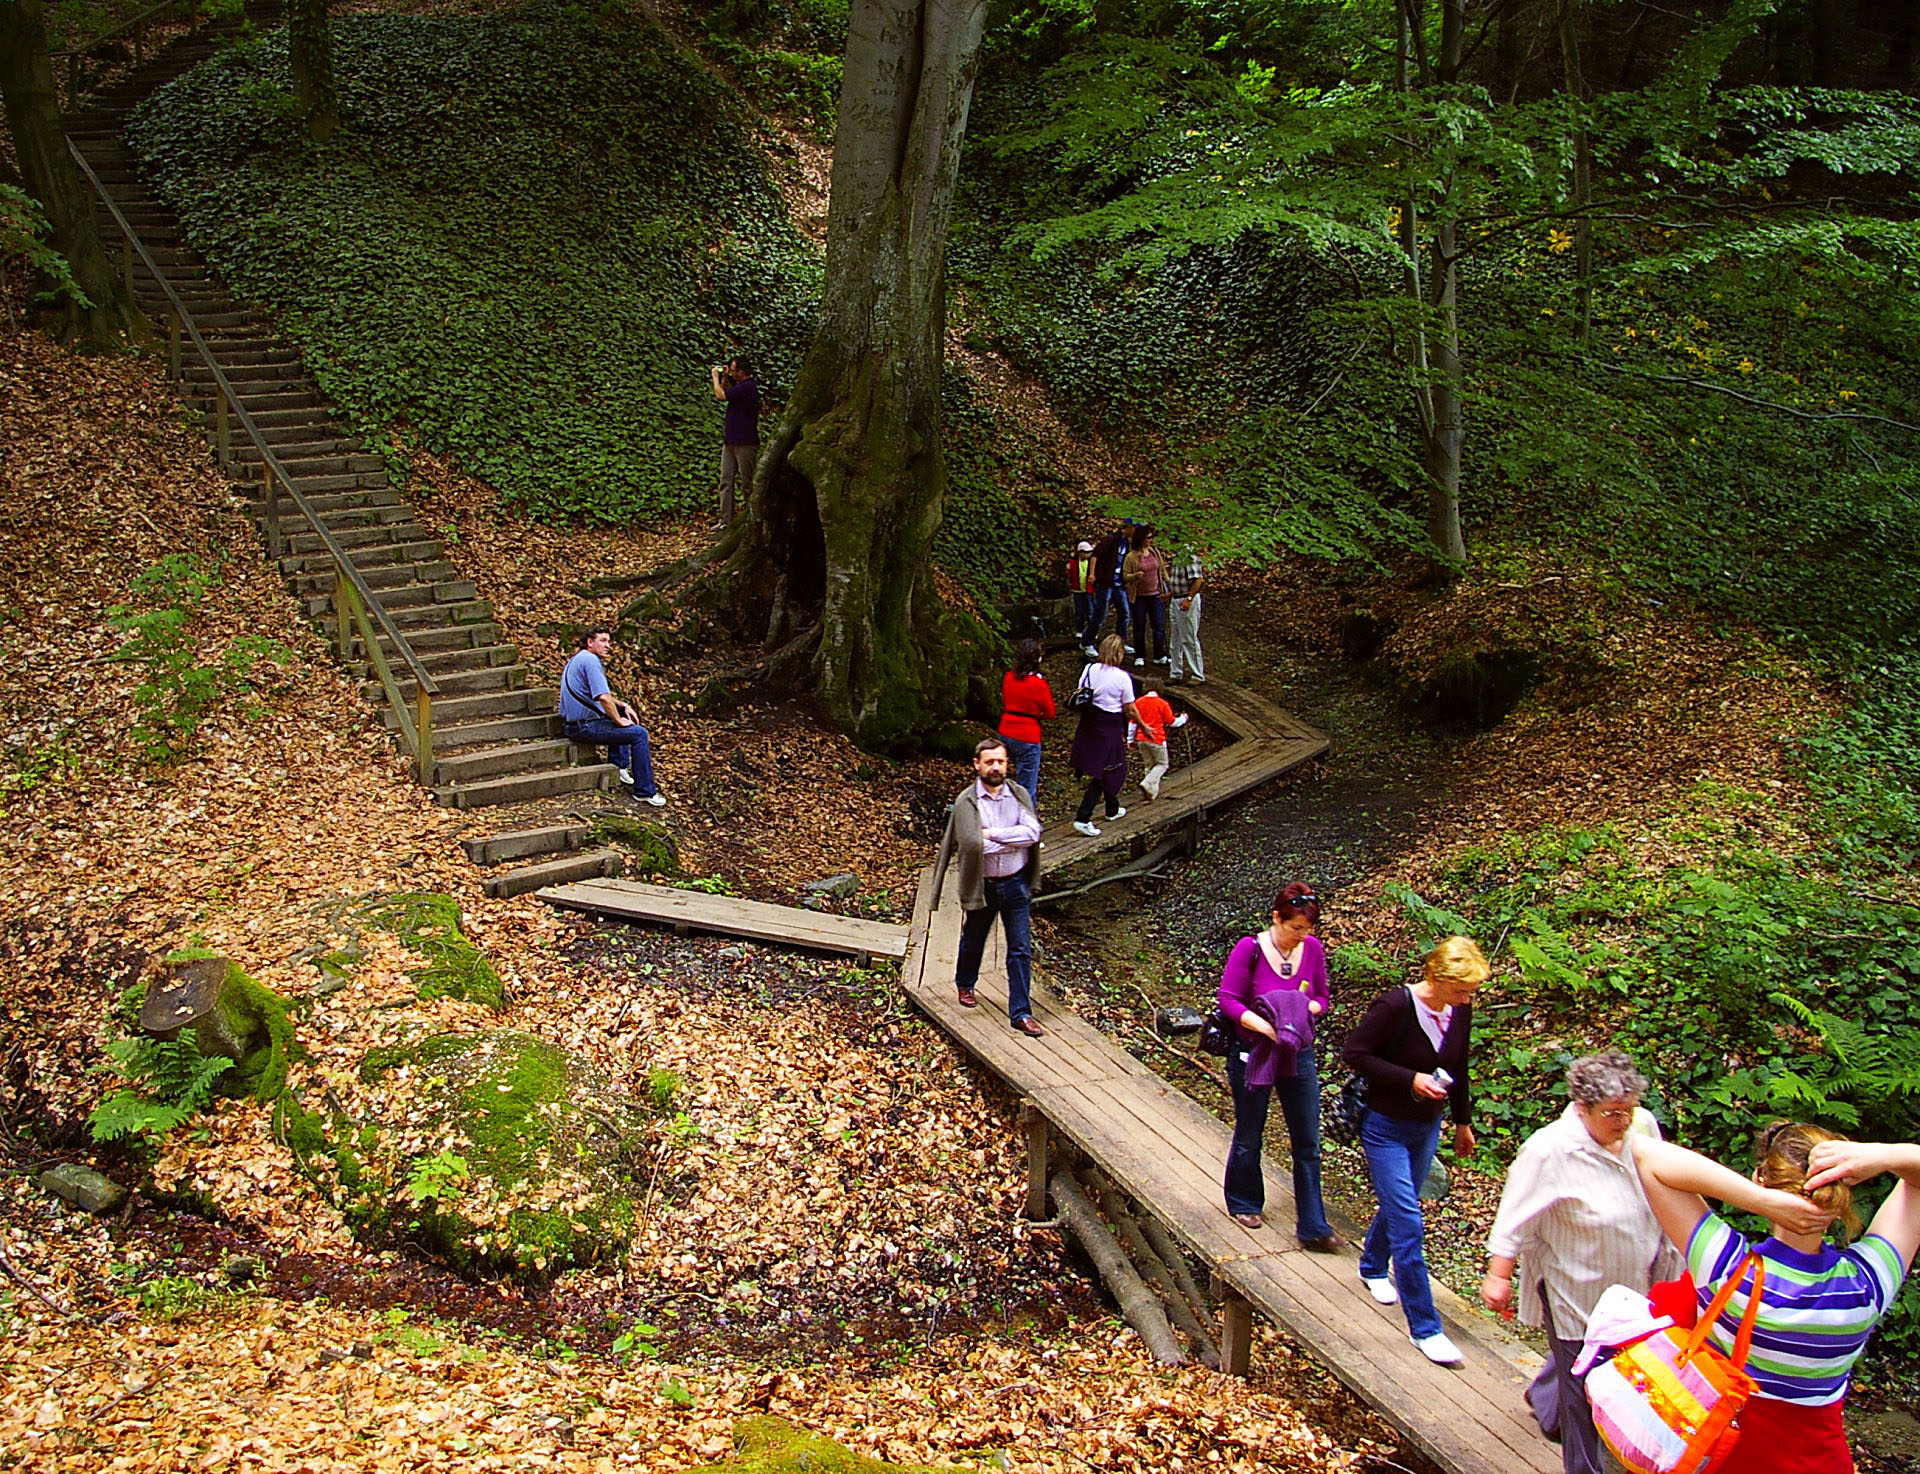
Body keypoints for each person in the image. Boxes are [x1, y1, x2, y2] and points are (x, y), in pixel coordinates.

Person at [1631, 1126, 1920, 1474]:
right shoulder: (1867, 1287)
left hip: (1729, 1460)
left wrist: (1759, 1199)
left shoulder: (1727, 1271)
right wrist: (1883, 1155)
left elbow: (1647, 1154)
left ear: (1761, 1180)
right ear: (1842, 1194)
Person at [1481, 1051, 1680, 1474]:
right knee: (1585, 1388)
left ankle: (1544, 1398)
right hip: (1576, 1288)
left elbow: (1663, 1179)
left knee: (1621, 1373)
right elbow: (1514, 1217)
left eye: (1628, 1109)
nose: (1623, 1121)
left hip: (1636, 1286)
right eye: (1612, 1113)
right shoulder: (1548, 1151)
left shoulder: (1641, 1125)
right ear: (1581, 1107)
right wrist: (1499, 1274)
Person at [1341, 934, 1487, 1366]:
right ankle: (1425, 1328)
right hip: (1385, 1126)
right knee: (1408, 1219)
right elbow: (1356, 1053)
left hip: (1427, 1127)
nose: (1465, 999)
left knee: (1399, 1202)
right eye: (1461, 990)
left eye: (1471, 992)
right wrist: (1409, 1079)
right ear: (1437, 978)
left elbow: (1458, 1067)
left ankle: (1371, 1265)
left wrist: (1462, 1122)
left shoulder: (1460, 1011)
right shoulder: (1395, 1006)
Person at [1218, 883, 1339, 1252]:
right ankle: (1244, 1200)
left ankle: (1313, 1223)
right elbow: (1229, 1000)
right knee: (1250, 1128)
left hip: (1296, 1051)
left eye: (1306, 929)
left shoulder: (1312, 950)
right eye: (1294, 928)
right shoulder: (1249, 949)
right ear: (1277, 918)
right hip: (1255, 1049)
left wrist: (1299, 1013)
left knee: (1307, 1138)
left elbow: (1321, 997)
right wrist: (1267, 1024)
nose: (1300, 936)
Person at [930, 738, 1046, 1038]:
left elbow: (1033, 832)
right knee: (974, 939)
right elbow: (970, 843)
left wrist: (993, 834)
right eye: (990, 761)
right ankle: (965, 982)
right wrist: (1011, 839)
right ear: (977, 764)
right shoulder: (967, 801)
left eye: (1001, 761)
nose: (996, 767)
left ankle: (1021, 1012)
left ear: (1008, 764)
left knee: (1020, 948)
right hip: (983, 885)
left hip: (1017, 883)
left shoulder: (1019, 795)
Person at [558, 628, 665, 806]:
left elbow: (603, 696)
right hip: (582, 726)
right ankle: (645, 791)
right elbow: (603, 697)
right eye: (603, 640)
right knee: (639, 734)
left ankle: (620, 767)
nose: (608, 645)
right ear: (590, 642)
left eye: (609, 641)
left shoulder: (579, 658)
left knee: (621, 712)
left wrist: (623, 706)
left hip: (576, 723)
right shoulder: (591, 661)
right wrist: (618, 720)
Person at [1067, 633, 1142, 837]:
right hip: (1109, 726)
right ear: (1118, 653)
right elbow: (1130, 708)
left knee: (1107, 768)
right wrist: (1144, 725)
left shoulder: (1090, 669)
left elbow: (1081, 689)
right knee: (1110, 769)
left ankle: (1112, 808)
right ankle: (1083, 816)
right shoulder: (1121, 678)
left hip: (1090, 722)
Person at [997, 638, 1055, 803]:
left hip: (1006, 730)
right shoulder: (1038, 684)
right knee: (1026, 787)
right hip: (1027, 735)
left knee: (1003, 778)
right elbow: (1050, 712)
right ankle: (1026, 822)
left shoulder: (1008, 677)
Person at [710, 356, 759, 526]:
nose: (730, 373)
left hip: (745, 443)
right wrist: (724, 379)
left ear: (741, 372)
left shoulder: (748, 387)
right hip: (730, 441)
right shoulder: (739, 387)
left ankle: (751, 519)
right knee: (726, 481)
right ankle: (725, 520)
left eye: (732, 370)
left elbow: (721, 396)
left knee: (747, 483)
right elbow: (726, 393)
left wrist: (715, 378)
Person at [1083, 519, 1136, 656]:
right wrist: (1092, 574)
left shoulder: (1128, 544)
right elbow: (1095, 556)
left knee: (1124, 613)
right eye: (1134, 528)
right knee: (1100, 614)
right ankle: (1087, 641)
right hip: (1105, 583)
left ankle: (1120, 642)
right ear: (1128, 527)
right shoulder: (1111, 540)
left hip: (1119, 584)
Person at [1123, 525, 1168, 667]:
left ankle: (1160, 654)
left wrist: (1168, 585)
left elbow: (1162, 570)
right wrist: (1135, 576)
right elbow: (1125, 576)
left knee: (1159, 626)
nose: (1151, 540)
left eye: (1152, 537)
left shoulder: (1154, 552)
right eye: (1148, 538)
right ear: (1141, 539)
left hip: (1155, 594)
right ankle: (1139, 654)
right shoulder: (1131, 556)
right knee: (1139, 626)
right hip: (1139, 596)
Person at [1163, 542, 1206, 684]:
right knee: (1175, 639)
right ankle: (1175, 672)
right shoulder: (1177, 556)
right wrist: (1170, 594)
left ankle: (1197, 674)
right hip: (1175, 599)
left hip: (1186, 600)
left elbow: (1198, 580)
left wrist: (1189, 599)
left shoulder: (1189, 555)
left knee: (1189, 638)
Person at [1129, 680, 1179, 800]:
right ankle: (1147, 783)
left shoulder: (1138, 702)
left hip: (1141, 739)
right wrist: (1184, 718)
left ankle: (1151, 793)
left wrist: (1130, 739)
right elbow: (1172, 722)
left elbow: (1133, 722)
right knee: (1162, 764)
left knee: (1149, 765)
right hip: (1156, 739)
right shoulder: (1162, 703)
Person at [1066, 541, 1099, 638]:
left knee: (1091, 611)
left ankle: (1092, 630)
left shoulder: (1091, 562)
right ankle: (1079, 630)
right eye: (1085, 552)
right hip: (1078, 590)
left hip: (1089, 590)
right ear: (1080, 552)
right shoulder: (1073, 563)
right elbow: (1069, 576)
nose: (1088, 554)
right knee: (1079, 611)